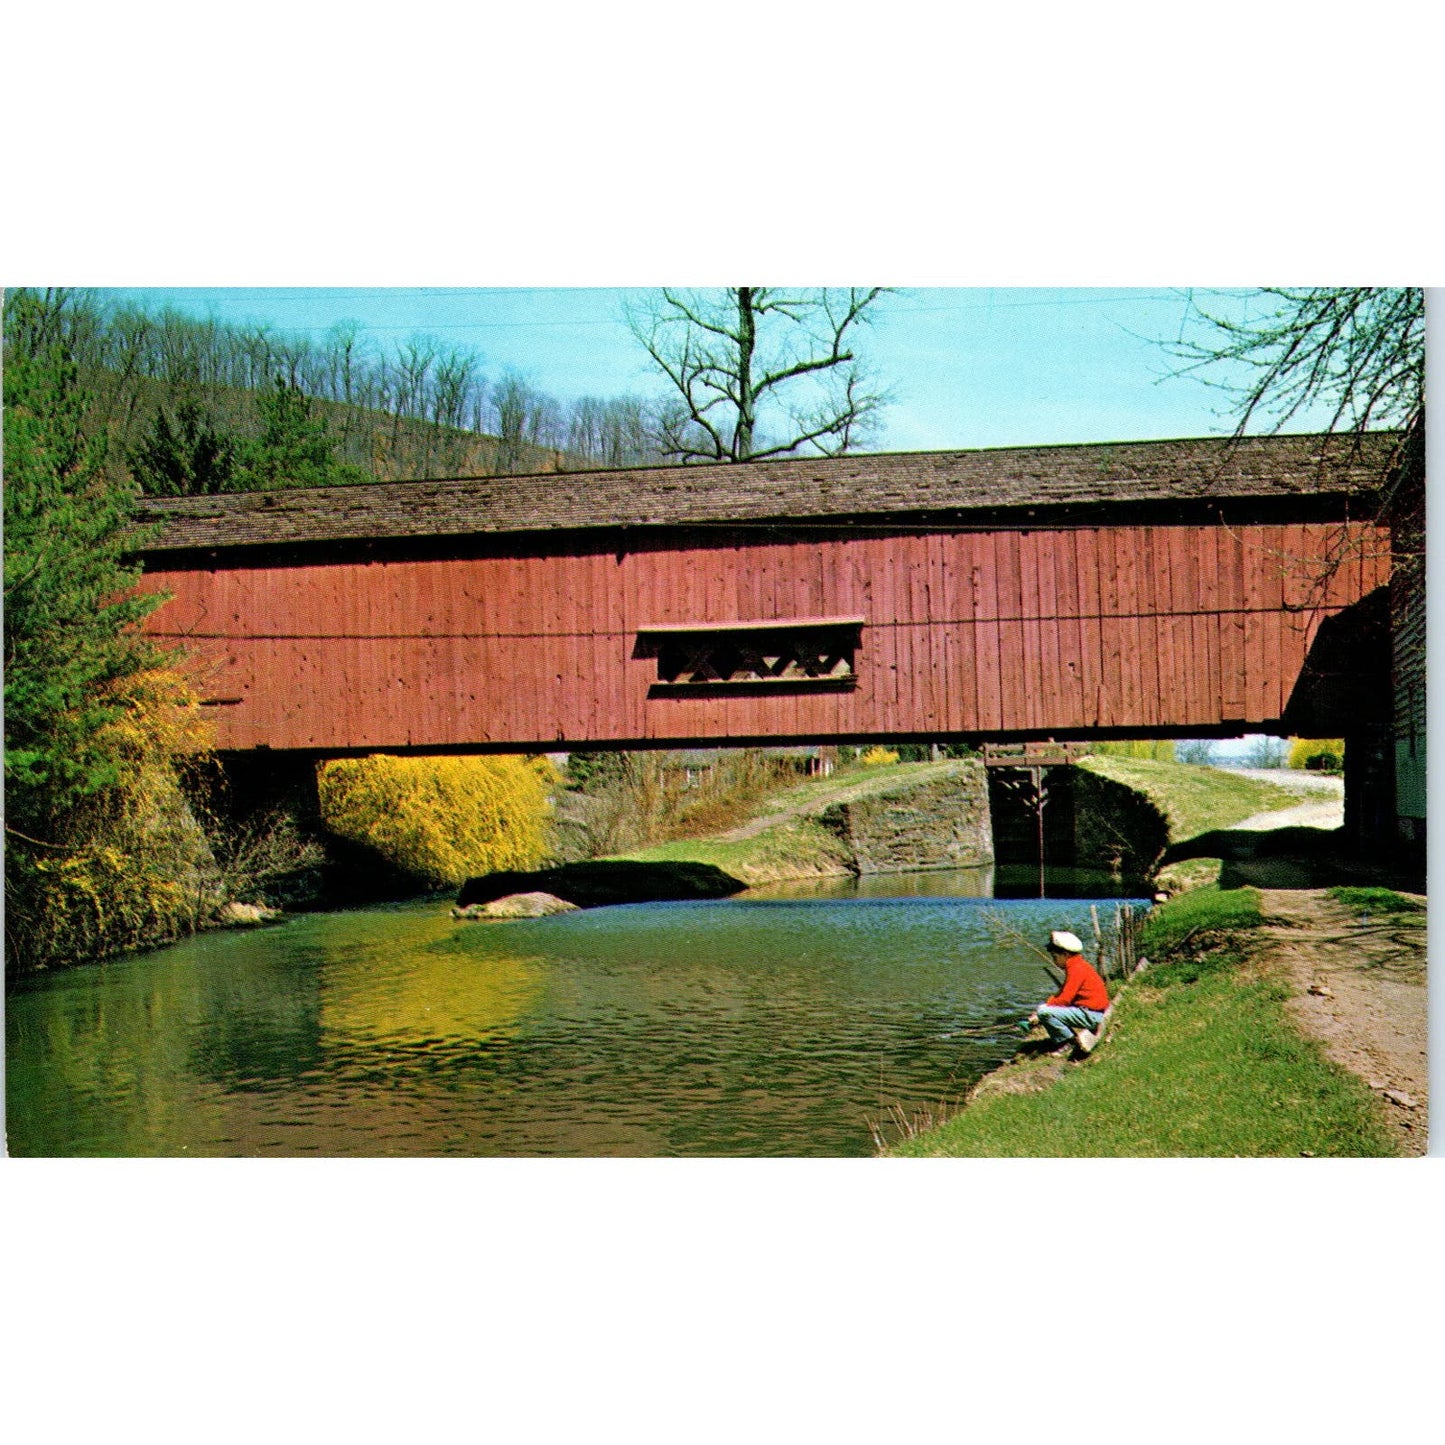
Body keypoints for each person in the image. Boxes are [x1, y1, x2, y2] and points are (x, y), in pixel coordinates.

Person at [1025, 930, 1110, 1055]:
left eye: (1055, 957)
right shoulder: (1077, 965)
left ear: (1065, 954)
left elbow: (1065, 999)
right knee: (1043, 1009)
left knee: (1044, 1012)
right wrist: (1045, 1006)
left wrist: (1041, 1012)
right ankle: (1065, 1038)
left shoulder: (1076, 969)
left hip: (1092, 1015)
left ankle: (1067, 1042)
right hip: (1092, 1012)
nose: (1054, 961)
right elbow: (1062, 993)